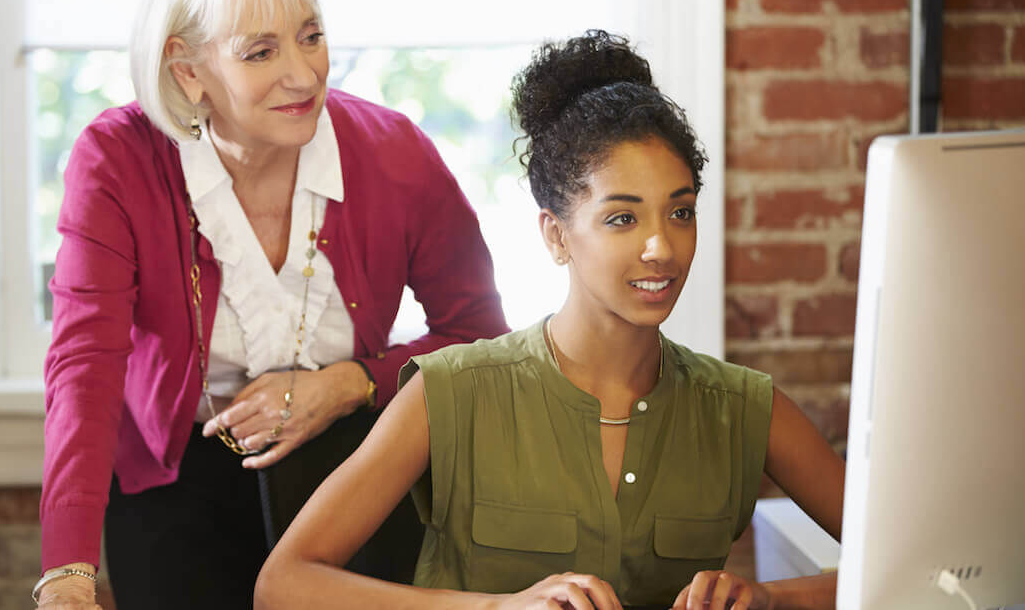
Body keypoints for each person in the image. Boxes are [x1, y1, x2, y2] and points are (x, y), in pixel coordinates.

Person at [253, 30, 847, 610]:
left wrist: (771, 598)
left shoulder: (741, 409)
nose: (661, 247)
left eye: (681, 212)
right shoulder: (451, 392)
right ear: (556, 235)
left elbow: (925, 567)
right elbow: (285, 584)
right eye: (622, 219)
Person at [34, 0, 508, 608]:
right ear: (188, 68)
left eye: (311, 37)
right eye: (261, 52)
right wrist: (67, 573)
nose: (304, 75)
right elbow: (85, 367)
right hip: (174, 482)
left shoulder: (396, 153)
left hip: (351, 466)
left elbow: (481, 340)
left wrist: (348, 385)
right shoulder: (116, 160)